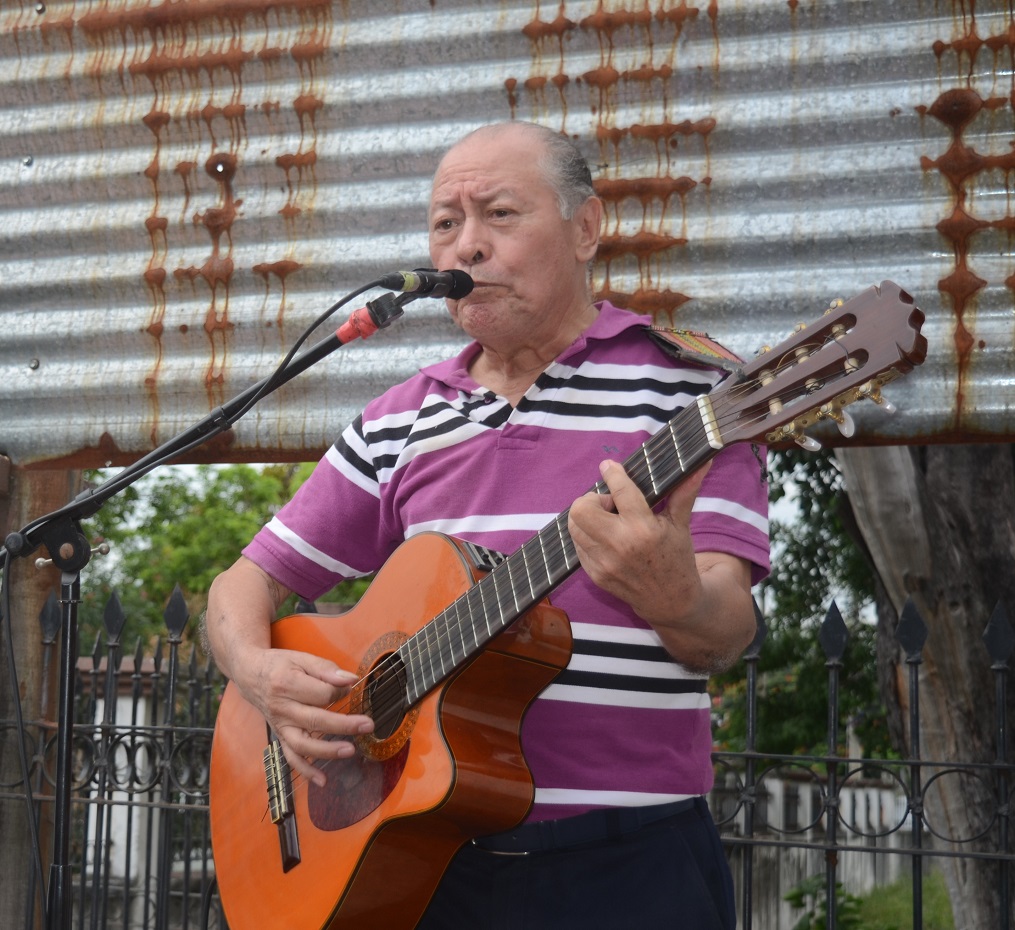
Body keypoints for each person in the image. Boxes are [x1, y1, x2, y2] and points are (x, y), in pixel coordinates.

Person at [205, 120, 769, 929]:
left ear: (585, 230)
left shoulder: (691, 394)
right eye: (445, 223)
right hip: (422, 864)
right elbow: (242, 584)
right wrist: (260, 674)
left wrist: (673, 595)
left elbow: (722, 635)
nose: (465, 248)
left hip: (627, 868)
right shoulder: (400, 418)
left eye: (499, 215)